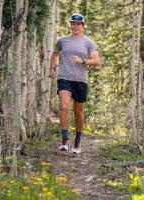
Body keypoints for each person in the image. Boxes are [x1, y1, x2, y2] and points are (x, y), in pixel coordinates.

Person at [49, 13, 100, 154]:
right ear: (70, 25)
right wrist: (52, 68)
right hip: (64, 78)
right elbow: (55, 53)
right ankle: (65, 139)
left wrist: (83, 61)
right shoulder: (62, 40)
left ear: (83, 26)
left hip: (81, 80)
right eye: (73, 23)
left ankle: (77, 141)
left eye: (78, 24)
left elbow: (96, 60)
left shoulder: (88, 42)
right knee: (64, 106)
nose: (75, 26)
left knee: (78, 112)